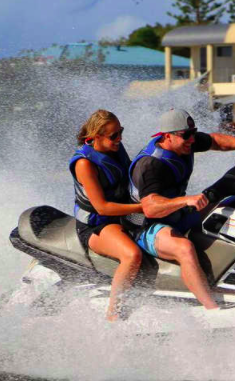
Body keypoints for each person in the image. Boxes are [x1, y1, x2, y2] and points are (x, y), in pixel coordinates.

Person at [128, 109, 235, 309]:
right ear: (167, 136)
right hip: (145, 227)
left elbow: (215, 141)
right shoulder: (151, 165)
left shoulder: (184, 142)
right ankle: (212, 309)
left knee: (230, 199)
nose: (192, 140)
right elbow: (150, 208)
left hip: (176, 215)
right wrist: (185, 200)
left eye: (194, 133)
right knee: (185, 249)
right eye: (186, 136)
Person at [71, 109, 143, 321]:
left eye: (121, 132)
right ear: (95, 137)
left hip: (122, 216)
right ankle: (114, 315)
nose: (119, 138)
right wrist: (141, 209)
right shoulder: (84, 163)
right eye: (114, 135)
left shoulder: (115, 149)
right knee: (132, 255)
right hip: (97, 224)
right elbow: (102, 207)